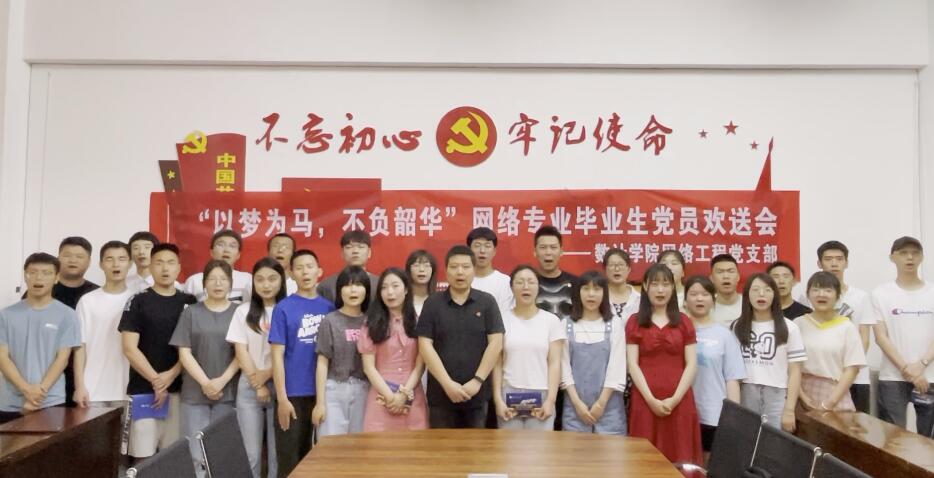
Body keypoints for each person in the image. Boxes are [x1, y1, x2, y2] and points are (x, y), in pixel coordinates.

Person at [119, 243, 197, 461]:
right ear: (151, 267)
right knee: (142, 456)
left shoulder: (189, 302)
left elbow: (193, 346)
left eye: (171, 263)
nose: (165, 268)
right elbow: (129, 348)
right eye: (159, 263)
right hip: (144, 390)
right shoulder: (138, 300)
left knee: (172, 456)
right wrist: (156, 380)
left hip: (180, 391)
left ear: (179, 267)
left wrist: (170, 375)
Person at [417, 245, 504, 428]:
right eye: (454, 267)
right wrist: (447, 384)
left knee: (476, 445)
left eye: (465, 267)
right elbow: (424, 345)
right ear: (446, 270)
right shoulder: (432, 303)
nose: (460, 272)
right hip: (441, 394)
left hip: (477, 394)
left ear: (474, 270)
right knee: (442, 445)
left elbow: (496, 343)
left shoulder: (487, 302)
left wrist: (477, 381)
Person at [171, 260, 241, 477]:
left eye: (223, 279)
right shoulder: (191, 312)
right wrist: (206, 383)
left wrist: (221, 381)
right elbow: (184, 353)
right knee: (195, 454)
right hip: (194, 392)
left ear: (231, 283)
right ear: (204, 284)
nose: (218, 284)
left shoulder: (239, 312)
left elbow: (243, 354)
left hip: (228, 392)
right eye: (212, 279)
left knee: (223, 452)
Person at [627, 264, 702, 464]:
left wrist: (675, 399)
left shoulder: (684, 321)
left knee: (680, 454)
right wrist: (651, 400)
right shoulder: (634, 322)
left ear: (673, 287)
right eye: (655, 284)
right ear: (645, 286)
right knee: (644, 459)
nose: (660, 290)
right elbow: (632, 364)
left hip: (680, 401)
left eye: (666, 284)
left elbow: (692, 364)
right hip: (644, 401)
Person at [269, 249, 334, 476]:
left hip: (323, 393)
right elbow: (276, 356)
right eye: (299, 268)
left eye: (309, 267)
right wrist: (282, 398)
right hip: (293, 395)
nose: (305, 272)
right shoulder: (283, 308)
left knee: (317, 458)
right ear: (291, 273)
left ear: (319, 271)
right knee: (290, 458)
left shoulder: (329, 308)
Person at [0, 253, 80, 424]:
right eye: (33, 272)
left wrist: (38, 392)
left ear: (57, 278)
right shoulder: (5, 315)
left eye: (46, 273)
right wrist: (26, 390)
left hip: (51, 400)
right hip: (10, 402)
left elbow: (62, 359)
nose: (38, 277)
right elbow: (2, 357)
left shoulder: (67, 314)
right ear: (25, 276)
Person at [226, 257, 286, 478]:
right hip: (249, 386)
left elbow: (289, 351)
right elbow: (240, 350)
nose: (266, 285)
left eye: (272, 279)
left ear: (282, 281)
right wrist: (258, 383)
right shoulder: (243, 311)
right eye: (260, 280)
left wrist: (268, 374)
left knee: (277, 453)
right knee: (250, 453)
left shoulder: (287, 309)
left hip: (281, 385)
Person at [798, 241, 873, 414]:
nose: (834, 264)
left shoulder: (859, 300)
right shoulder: (799, 322)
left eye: (839, 259)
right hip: (807, 387)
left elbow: (865, 338)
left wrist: (851, 368)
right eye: (828, 259)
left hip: (850, 378)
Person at [871, 236, 934, 437]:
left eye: (915, 253)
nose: (910, 258)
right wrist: (907, 369)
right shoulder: (880, 293)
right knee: (893, 438)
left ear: (922, 257)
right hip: (893, 377)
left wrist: (922, 364)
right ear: (892, 257)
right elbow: (881, 337)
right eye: (904, 253)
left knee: (928, 440)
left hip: (930, 376)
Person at [493, 265, 565, 430]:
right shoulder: (501, 319)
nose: (526, 287)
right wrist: (498, 400)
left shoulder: (551, 321)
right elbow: (496, 363)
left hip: (542, 395)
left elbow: (554, 363)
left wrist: (551, 400)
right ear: (512, 287)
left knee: (539, 445)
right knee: (509, 445)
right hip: (509, 394)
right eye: (520, 282)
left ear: (538, 287)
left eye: (531, 282)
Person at [732, 273, 806, 432]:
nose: (761, 294)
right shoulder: (737, 326)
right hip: (746, 391)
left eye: (767, 290)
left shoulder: (789, 327)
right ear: (747, 295)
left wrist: (789, 410)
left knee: (774, 442)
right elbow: (732, 370)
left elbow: (795, 371)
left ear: (775, 294)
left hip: (777, 393)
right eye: (755, 290)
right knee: (747, 439)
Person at [358, 268, 428, 432]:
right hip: (381, 397)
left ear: (406, 290)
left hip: (412, 395)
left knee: (415, 445)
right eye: (384, 287)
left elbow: (420, 365)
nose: (390, 292)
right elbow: (369, 368)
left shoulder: (419, 322)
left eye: (395, 286)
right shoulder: (371, 324)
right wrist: (391, 398)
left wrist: (404, 395)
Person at [683, 275, 745, 460]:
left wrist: (733, 415)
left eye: (704, 294)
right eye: (694, 294)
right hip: (683, 411)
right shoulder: (677, 332)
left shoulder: (724, 335)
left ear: (713, 299)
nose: (699, 299)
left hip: (714, 412)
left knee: (709, 463)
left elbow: (732, 378)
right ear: (685, 300)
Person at [560, 270, 627, 435]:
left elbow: (617, 367)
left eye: (597, 289)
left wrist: (601, 404)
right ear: (578, 292)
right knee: (575, 451)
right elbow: (563, 367)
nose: (591, 294)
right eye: (586, 289)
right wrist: (577, 404)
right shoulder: (566, 324)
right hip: (575, 408)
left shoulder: (615, 324)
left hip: (610, 408)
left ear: (604, 293)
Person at [73, 241, 135, 408]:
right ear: (101, 264)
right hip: (92, 390)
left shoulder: (137, 300)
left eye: (121, 259)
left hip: (127, 389)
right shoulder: (87, 301)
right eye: (109, 259)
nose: (116, 264)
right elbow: (79, 346)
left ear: (130, 263)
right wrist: (79, 386)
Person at [313, 266, 371, 436]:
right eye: (347, 285)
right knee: (331, 445)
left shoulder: (371, 322)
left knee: (358, 445)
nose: (353, 290)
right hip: (334, 391)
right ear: (339, 290)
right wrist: (320, 403)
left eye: (358, 285)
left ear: (366, 291)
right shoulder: (330, 321)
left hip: (363, 390)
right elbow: (322, 363)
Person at [183, 229, 252, 302]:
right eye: (221, 245)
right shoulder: (194, 281)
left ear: (238, 255)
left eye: (232, 246)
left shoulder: (248, 279)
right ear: (211, 252)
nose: (226, 250)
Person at [317, 230, 378, 305]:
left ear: (369, 253)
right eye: (349, 247)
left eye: (361, 247)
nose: (355, 251)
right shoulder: (327, 285)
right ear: (342, 253)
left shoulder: (379, 284)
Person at [533, 226, 577, 321]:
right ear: (535, 252)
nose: (548, 252)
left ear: (561, 251)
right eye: (543, 247)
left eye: (553, 247)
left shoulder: (576, 283)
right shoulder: (527, 284)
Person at [468, 227, 514, 312]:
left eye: (487, 246)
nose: (482, 251)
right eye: (477, 246)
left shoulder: (504, 282)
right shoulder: (462, 281)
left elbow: (506, 314)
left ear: (494, 251)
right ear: (469, 250)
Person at [604, 248, 640, 321]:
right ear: (605, 269)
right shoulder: (599, 297)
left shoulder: (639, 299)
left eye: (621, 265)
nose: (617, 269)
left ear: (628, 269)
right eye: (612, 265)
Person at [709, 254, 741, 326]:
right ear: (712, 278)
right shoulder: (705, 307)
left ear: (738, 277)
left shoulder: (749, 304)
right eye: (720, 272)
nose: (726, 276)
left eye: (731, 271)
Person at [406, 249, 437, 316]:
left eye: (426, 265)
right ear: (409, 270)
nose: (421, 269)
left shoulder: (439, 301)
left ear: (433, 270)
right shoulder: (402, 300)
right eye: (416, 265)